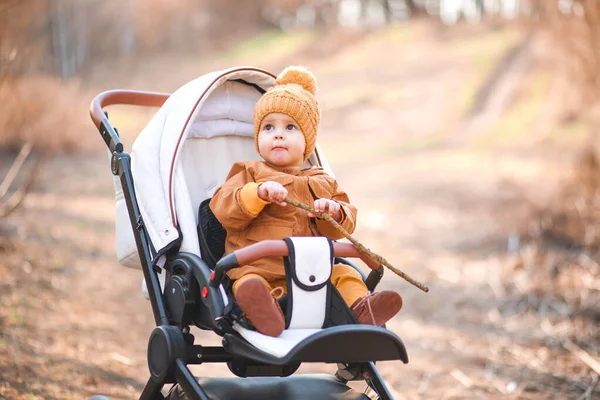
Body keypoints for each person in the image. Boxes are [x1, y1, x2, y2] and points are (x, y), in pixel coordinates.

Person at [210, 66, 402, 337]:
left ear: (307, 141)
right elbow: (223, 207)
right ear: (258, 137)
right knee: (248, 283)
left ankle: (362, 309)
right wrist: (258, 193)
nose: (278, 134)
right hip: (259, 266)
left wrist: (333, 212)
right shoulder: (249, 172)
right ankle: (265, 312)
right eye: (268, 127)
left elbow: (345, 225)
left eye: (290, 127)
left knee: (345, 275)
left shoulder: (323, 180)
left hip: (312, 273)